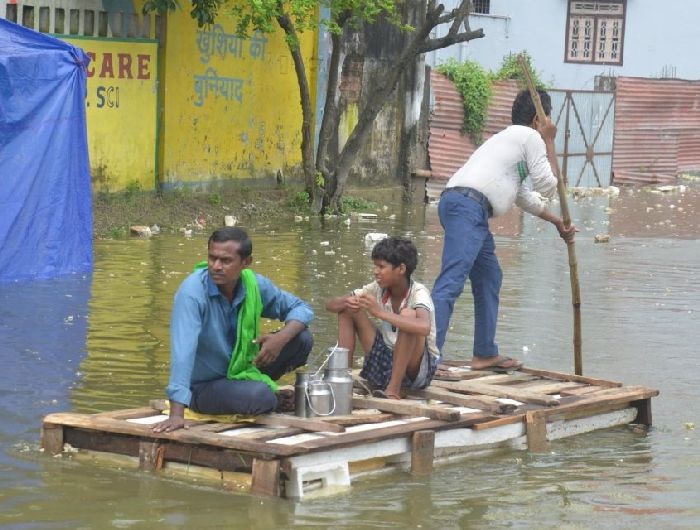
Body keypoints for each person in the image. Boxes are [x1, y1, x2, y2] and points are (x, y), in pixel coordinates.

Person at [432, 89, 576, 372]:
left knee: (489, 276)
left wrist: (557, 221)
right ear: (539, 118)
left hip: (467, 206)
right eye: (548, 117)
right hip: (467, 206)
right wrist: (548, 139)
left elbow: (522, 195)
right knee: (452, 281)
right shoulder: (531, 137)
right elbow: (548, 185)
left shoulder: (508, 140)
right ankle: (428, 357)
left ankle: (485, 353)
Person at [153, 227, 313, 433]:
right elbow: (183, 353)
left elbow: (303, 309)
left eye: (225, 261)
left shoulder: (253, 284)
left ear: (246, 262)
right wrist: (176, 414)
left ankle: (256, 393)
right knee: (260, 396)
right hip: (204, 386)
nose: (216, 266)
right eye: (212, 258)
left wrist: (280, 338)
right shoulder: (192, 294)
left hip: (244, 370)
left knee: (301, 338)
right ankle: (269, 398)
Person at [326, 236, 440, 399]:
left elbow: (424, 327)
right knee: (348, 309)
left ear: (401, 269)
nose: (375, 272)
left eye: (381, 267)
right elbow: (330, 305)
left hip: (416, 371)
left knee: (409, 316)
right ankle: (343, 379)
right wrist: (346, 301)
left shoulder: (418, 293)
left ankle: (393, 390)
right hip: (387, 361)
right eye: (375, 266)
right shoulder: (377, 288)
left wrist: (379, 312)